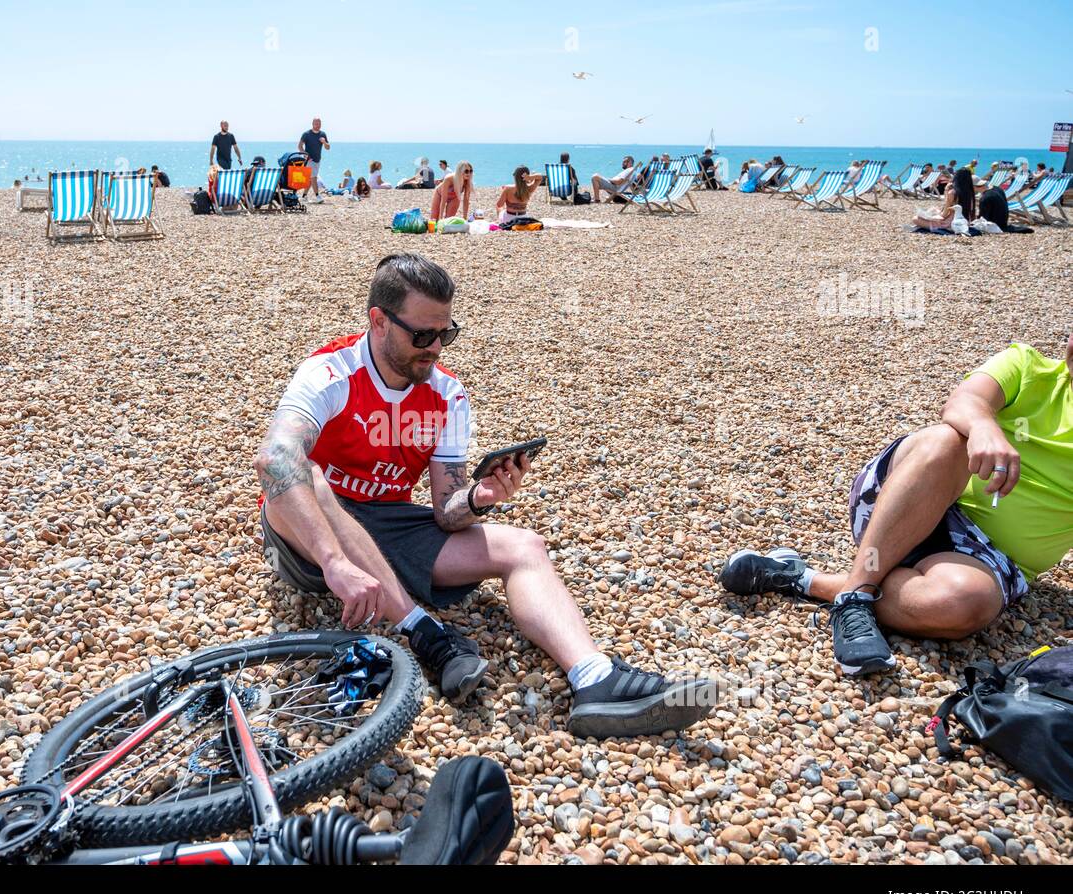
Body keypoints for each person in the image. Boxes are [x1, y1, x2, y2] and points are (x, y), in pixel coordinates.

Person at [253, 253, 719, 735]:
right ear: (378, 321)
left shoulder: (447, 394)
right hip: (308, 533)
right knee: (308, 473)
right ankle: (422, 629)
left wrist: (481, 497)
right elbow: (275, 460)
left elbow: (446, 512)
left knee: (524, 547)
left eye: (445, 334)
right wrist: (334, 561)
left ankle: (595, 678)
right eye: (422, 336)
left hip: (388, 524)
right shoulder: (331, 373)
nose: (434, 348)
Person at [720, 336, 1073, 677]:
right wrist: (983, 424)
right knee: (948, 440)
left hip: (984, 561)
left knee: (962, 603)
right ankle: (855, 598)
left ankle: (804, 579)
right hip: (910, 497)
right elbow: (963, 401)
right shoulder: (1028, 367)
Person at [298, 117, 331, 203]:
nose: (318, 125)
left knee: (310, 179)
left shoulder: (323, 134)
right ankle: (317, 196)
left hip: (317, 159)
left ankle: (304, 196)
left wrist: (324, 142)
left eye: (319, 123)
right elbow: (300, 146)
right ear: (312, 124)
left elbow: (328, 148)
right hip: (309, 160)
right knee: (314, 177)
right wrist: (305, 154)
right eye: (316, 123)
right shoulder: (306, 134)